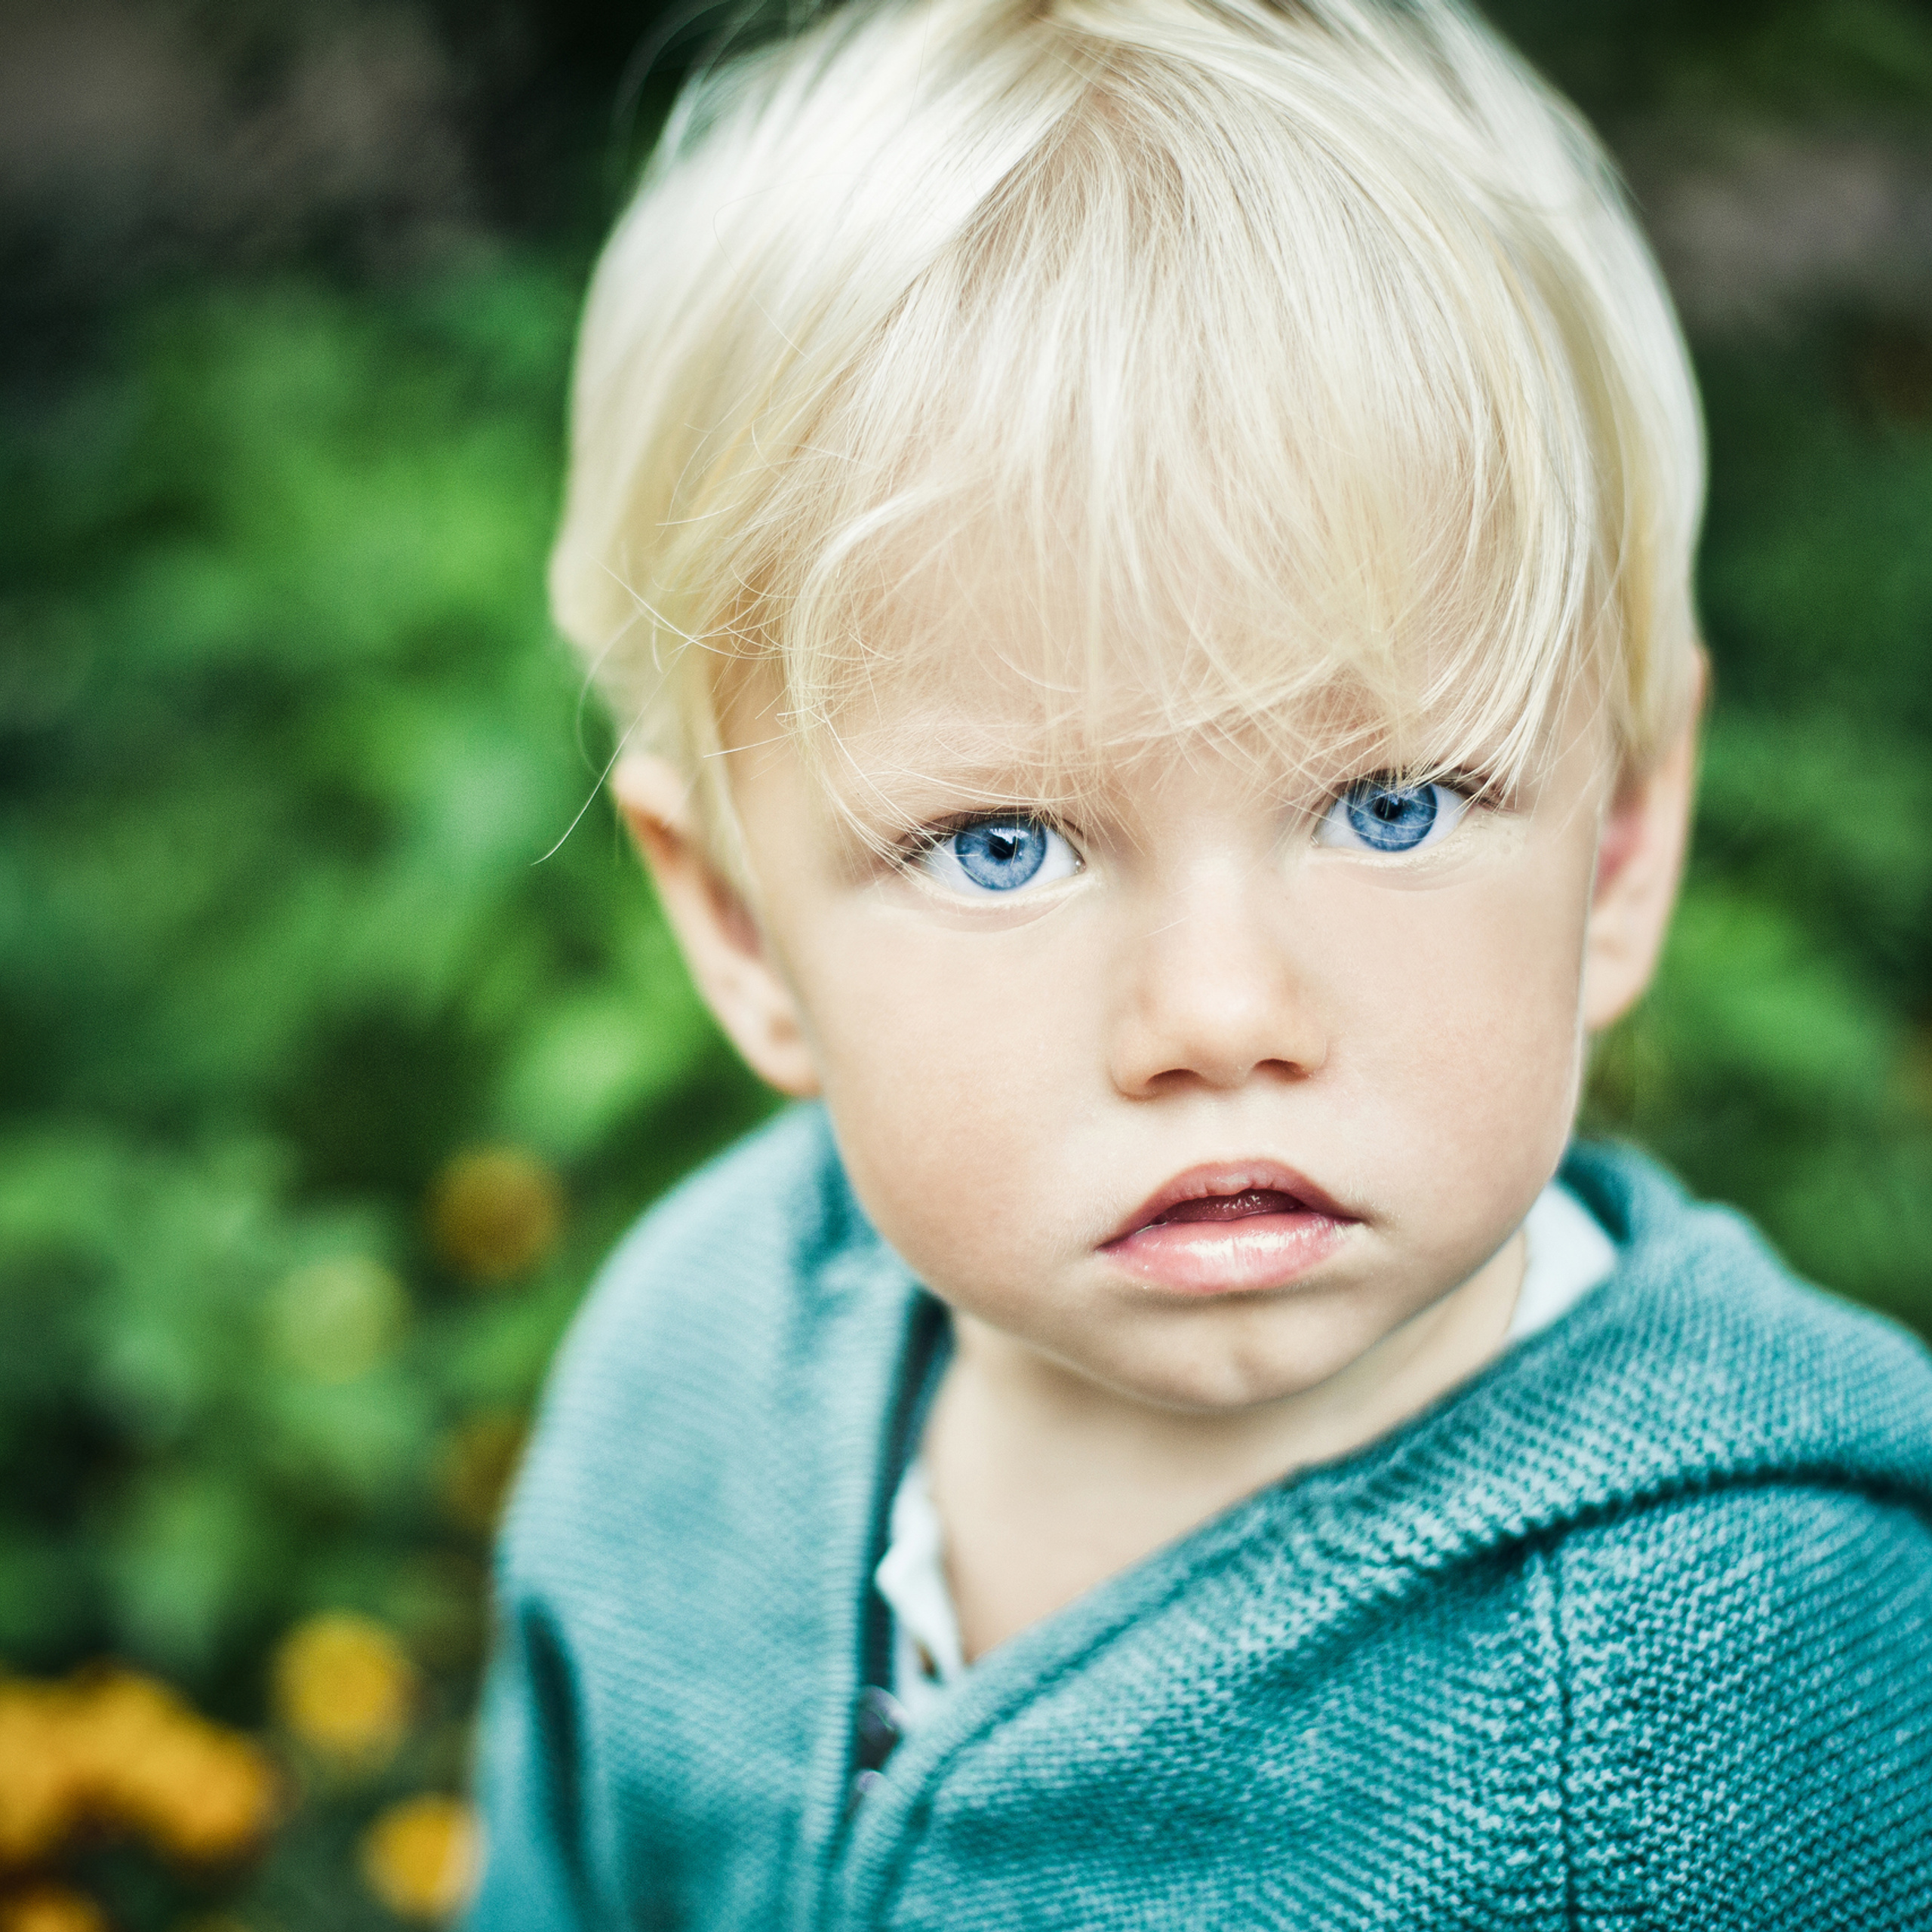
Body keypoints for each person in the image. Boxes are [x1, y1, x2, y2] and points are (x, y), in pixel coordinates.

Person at [467, 0, 1932, 1922]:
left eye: (1389, 805)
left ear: (1620, 845)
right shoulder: (688, 1381)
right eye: (1002, 844)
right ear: (737, 924)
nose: (1222, 1016)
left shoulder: (1728, 1683)